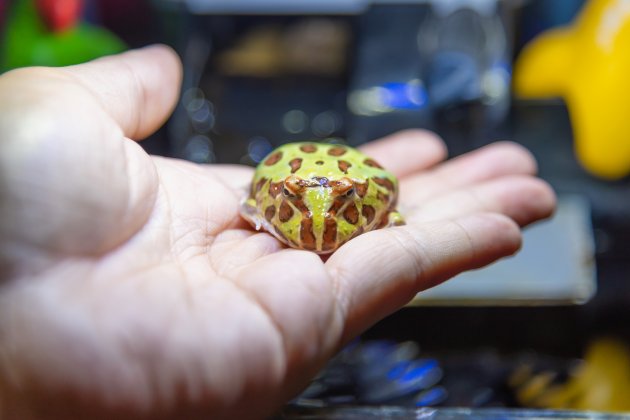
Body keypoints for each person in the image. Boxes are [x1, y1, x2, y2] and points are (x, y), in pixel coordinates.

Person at [0, 45, 555, 419]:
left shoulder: (373, 190)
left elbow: (380, 187)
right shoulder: (271, 184)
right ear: (272, 198)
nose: (317, 224)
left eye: (342, 208)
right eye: (295, 205)